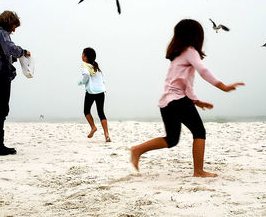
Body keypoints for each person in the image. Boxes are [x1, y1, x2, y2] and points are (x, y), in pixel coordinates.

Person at [130, 19, 244, 177]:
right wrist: (223, 86)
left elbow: (184, 83)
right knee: (199, 132)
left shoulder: (178, 56)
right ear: (197, 36)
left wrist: (196, 101)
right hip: (177, 100)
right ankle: (198, 171)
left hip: (167, 102)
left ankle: (138, 149)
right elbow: (203, 71)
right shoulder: (191, 51)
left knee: (171, 139)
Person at [0, 11, 31, 156]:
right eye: (14, 26)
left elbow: (1, 53)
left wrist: (13, 59)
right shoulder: (2, 32)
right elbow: (10, 48)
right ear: (8, 22)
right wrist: (23, 52)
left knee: (1, 109)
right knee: (2, 110)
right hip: (0, 74)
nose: (14, 30)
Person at [79, 47, 111, 142]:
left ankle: (93, 127)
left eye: (82, 54)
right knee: (101, 112)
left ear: (86, 57)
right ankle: (106, 134)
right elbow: (102, 79)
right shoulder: (96, 66)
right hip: (101, 91)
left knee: (86, 110)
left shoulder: (85, 65)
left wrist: (82, 82)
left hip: (91, 91)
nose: (81, 56)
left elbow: (86, 75)